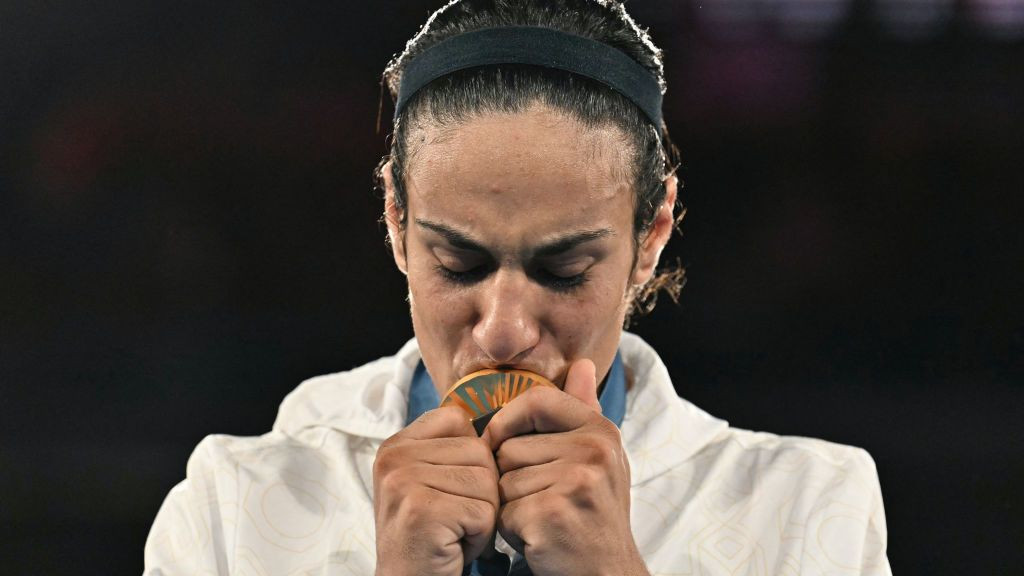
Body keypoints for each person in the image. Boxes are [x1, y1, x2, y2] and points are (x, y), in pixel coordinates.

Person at [144, 1, 891, 574]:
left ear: (652, 234)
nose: (503, 329)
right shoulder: (232, 508)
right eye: (459, 265)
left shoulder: (808, 508)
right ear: (396, 222)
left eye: (564, 272)